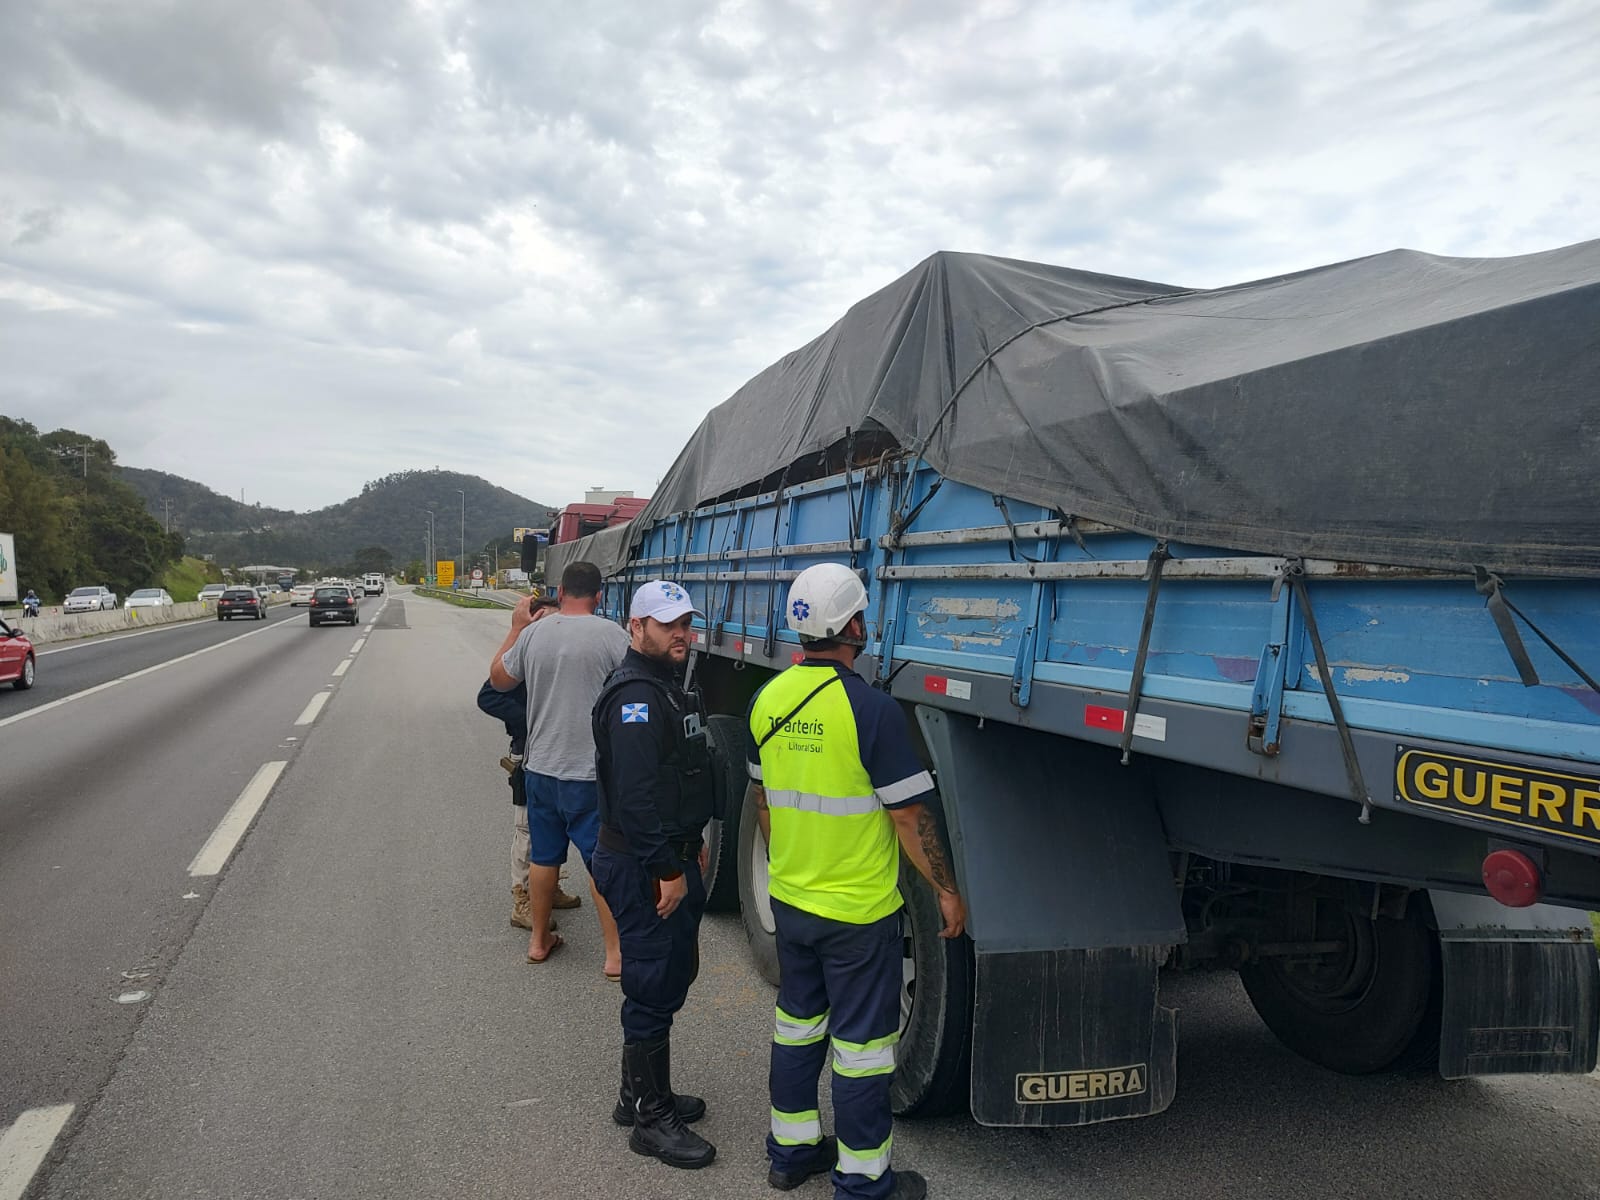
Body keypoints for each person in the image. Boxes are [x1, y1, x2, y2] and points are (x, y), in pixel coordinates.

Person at [747, 562, 966, 1200]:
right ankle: (864, 1182)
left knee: (797, 1026)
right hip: (857, 912)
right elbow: (907, 815)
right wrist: (947, 890)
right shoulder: (870, 710)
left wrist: (791, 863)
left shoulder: (769, 699)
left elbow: (762, 802)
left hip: (792, 901)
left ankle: (789, 1154)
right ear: (852, 626)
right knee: (863, 1050)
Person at [590, 580, 718, 1170]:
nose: (681, 634)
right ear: (635, 626)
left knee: (667, 976)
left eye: (685, 623)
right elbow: (637, 800)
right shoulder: (635, 699)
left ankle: (637, 1094)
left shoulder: (665, 686)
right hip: (645, 864)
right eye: (667, 624)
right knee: (650, 984)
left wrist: (689, 848)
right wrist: (668, 869)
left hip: (668, 855)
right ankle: (650, 1119)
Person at [489, 561, 629, 973]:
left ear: (561, 590)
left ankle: (537, 941)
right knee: (600, 860)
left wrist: (516, 628)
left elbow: (498, 680)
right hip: (588, 771)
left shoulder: (534, 635)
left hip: (541, 768)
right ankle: (615, 954)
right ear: (599, 596)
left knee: (545, 858)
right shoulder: (612, 636)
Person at [475, 594, 582, 933]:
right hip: (530, 753)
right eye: (542, 620)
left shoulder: (563, 653)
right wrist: (535, 720)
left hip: (565, 755)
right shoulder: (523, 659)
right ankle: (523, 898)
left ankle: (548, 887)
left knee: (557, 826)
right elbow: (488, 696)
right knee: (526, 830)